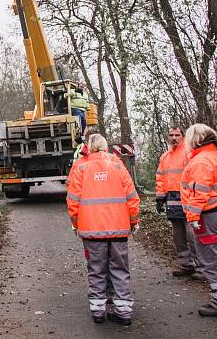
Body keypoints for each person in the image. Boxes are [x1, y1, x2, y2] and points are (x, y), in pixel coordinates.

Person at [67, 133, 139, 326]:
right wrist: (133, 221)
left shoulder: (81, 167)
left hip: (92, 231)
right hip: (119, 229)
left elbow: (73, 201)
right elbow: (132, 196)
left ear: (88, 147)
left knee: (96, 271)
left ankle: (98, 311)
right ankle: (124, 311)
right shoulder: (117, 165)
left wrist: (76, 223)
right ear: (106, 146)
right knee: (120, 270)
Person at [180, 123, 217, 317]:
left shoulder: (201, 162)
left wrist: (193, 217)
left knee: (210, 259)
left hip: (207, 216)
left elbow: (199, 193)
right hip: (212, 214)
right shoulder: (212, 156)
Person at [155, 126, 201, 277]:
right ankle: (186, 264)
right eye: (171, 135)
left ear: (182, 136)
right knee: (178, 234)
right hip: (172, 198)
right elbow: (160, 178)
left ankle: (199, 266)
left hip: (188, 197)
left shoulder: (189, 152)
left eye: (177, 135)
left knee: (191, 232)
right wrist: (160, 198)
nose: (174, 137)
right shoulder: (165, 157)